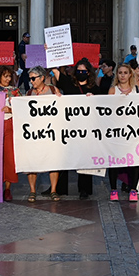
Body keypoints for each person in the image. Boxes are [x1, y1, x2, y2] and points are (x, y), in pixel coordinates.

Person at [53, 58, 98, 198]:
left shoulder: (95, 89)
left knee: (84, 158)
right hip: (68, 127)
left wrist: (94, 98)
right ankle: (60, 188)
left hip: (86, 129)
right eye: (78, 71)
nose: (80, 73)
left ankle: (84, 189)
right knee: (63, 156)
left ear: (89, 73)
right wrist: (51, 51)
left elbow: (103, 105)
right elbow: (55, 70)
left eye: (83, 71)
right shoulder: (68, 84)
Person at [24, 66, 60, 202]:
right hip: (33, 132)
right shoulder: (28, 93)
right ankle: (32, 190)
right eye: (30, 79)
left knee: (53, 160)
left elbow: (63, 105)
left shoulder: (52, 90)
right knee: (31, 161)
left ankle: (53, 190)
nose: (31, 81)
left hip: (51, 132)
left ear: (42, 78)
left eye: (34, 78)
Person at [0, 65, 22, 201]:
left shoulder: (16, 92)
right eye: (5, 76)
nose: (8, 79)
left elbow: (23, 109)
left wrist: (12, 110)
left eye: (9, 76)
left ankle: (7, 189)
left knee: (9, 157)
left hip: (10, 126)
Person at [109, 63, 139, 201]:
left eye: (125, 72)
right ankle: (113, 190)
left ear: (130, 74)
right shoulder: (113, 90)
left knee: (134, 160)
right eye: (120, 72)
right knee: (114, 160)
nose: (122, 75)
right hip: (117, 131)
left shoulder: (137, 89)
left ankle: (133, 189)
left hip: (134, 131)